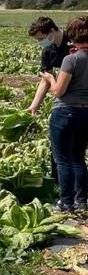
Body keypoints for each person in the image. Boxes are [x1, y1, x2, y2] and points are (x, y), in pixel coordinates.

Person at [41, 16, 88, 213]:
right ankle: (81, 200)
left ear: (72, 35)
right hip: (86, 113)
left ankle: (65, 202)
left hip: (66, 111)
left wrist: (50, 78)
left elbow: (59, 91)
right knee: (78, 156)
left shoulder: (71, 59)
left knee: (63, 159)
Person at [27, 17, 72, 115]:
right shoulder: (47, 51)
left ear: (51, 31)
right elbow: (45, 79)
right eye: (37, 40)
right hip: (63, 90)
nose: (40, 42)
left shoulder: (73, 40)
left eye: (41, 39)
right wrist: (34, 105)